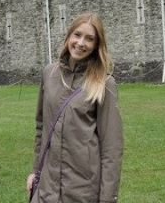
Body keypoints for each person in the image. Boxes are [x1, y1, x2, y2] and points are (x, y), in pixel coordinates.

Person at [27, 12, 123, 203]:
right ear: (69, 36)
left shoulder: (104, 84)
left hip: (83, 191)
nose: (81, 43)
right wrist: (35, 171)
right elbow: (41, 128)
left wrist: (107, 198)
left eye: (89, 39)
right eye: (77, 35)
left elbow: (111, 148)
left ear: (96, 45)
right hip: (47, 188)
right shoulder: (49, 73)